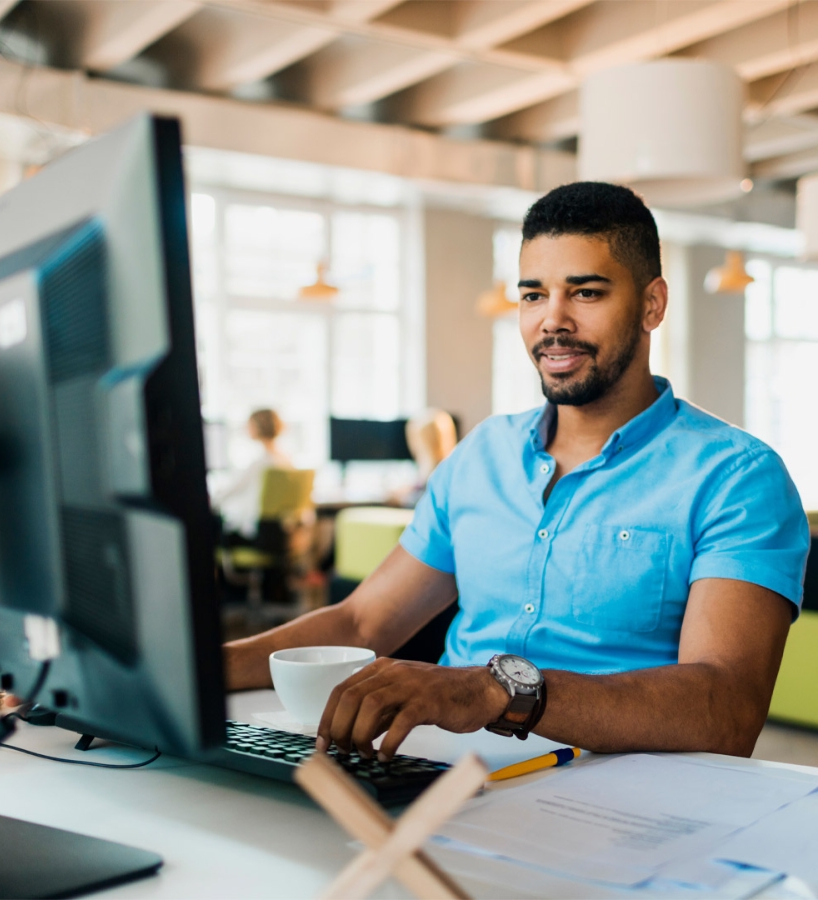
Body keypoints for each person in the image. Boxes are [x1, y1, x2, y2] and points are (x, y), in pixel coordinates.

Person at [224, 182, 809, 763]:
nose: (552, 321)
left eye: (585, 293)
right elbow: (359, 620)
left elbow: (727, 708)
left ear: (652, 304)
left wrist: (494, 691)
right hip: (441, 771)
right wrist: (200, 667)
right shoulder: (482, 455)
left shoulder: (736, 478)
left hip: (624, 796)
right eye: (533, 296)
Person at [213, 409, 292, 541]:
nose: (246, 428)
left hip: (258, 536)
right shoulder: (286, 460)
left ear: (258, 427)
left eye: (249, 424)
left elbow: (233, 490)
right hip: (280, 533)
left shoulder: (261, 463)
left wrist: (211, 502)